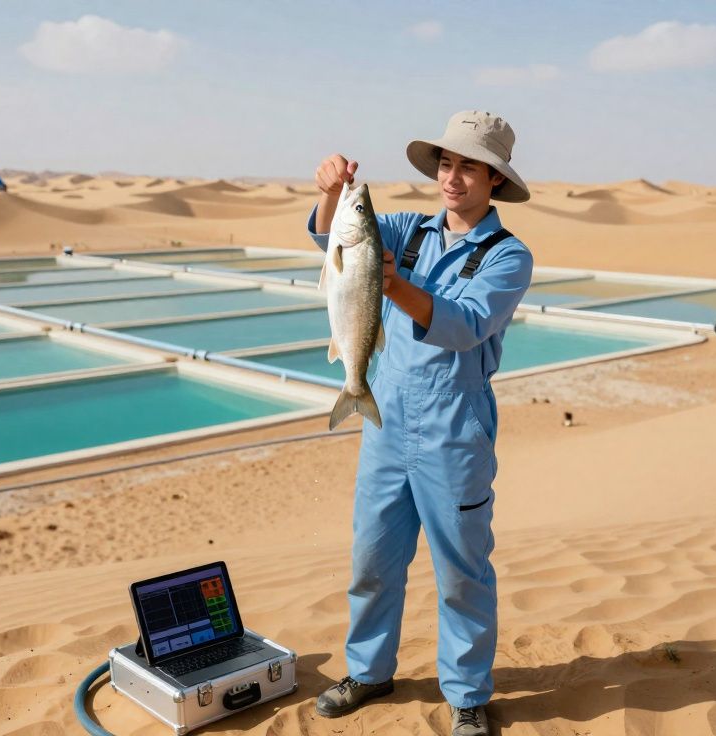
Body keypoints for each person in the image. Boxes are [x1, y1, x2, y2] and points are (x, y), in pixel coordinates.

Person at [306, 111, 534, 736]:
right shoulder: (405, 229)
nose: (452, 177)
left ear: (494, 179)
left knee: (462, 569)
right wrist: (331, 193)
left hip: (455, 430)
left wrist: (390, 281)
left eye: (467, 166)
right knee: (372, 558)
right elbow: (335, 243)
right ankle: (369, 670)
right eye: (445, 163)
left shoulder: (509, 256)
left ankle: (465, 694)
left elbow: (463, 324)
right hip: (385, 420)